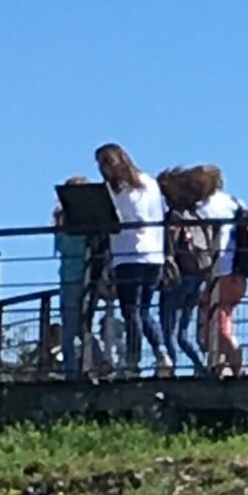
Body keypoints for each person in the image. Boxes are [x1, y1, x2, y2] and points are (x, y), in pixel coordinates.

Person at [96, 142, 171, 375]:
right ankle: (161, 352)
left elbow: (136, 218)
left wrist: (112, 219)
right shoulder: (150, 183)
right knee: (144, 310)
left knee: (131, 310)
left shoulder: (122, 189)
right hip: (154, 254)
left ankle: (133, 359)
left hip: (130, 254)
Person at [157, 166, 213, 374]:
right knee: (181, 333)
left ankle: (169, 369)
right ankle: (200, 366)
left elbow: (169, 247)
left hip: (178, 276)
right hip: (198, 275)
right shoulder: (197, 216)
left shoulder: (175, 216)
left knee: (168, 330)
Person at [194, 164, 247, 378]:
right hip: (237, 273)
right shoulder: (234, 203)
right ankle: (221, 366)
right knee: (218, 323)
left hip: (216, 273)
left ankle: (235, 368)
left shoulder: (201, 207)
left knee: (215, 328)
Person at [54, 176, 92, 380]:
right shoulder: (90, 218)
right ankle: (94, 362)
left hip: (70, 276)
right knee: (81, 325)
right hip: (84, 275)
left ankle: (71, 370)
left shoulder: (63, 219)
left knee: (70, 325)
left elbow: (63, 246)